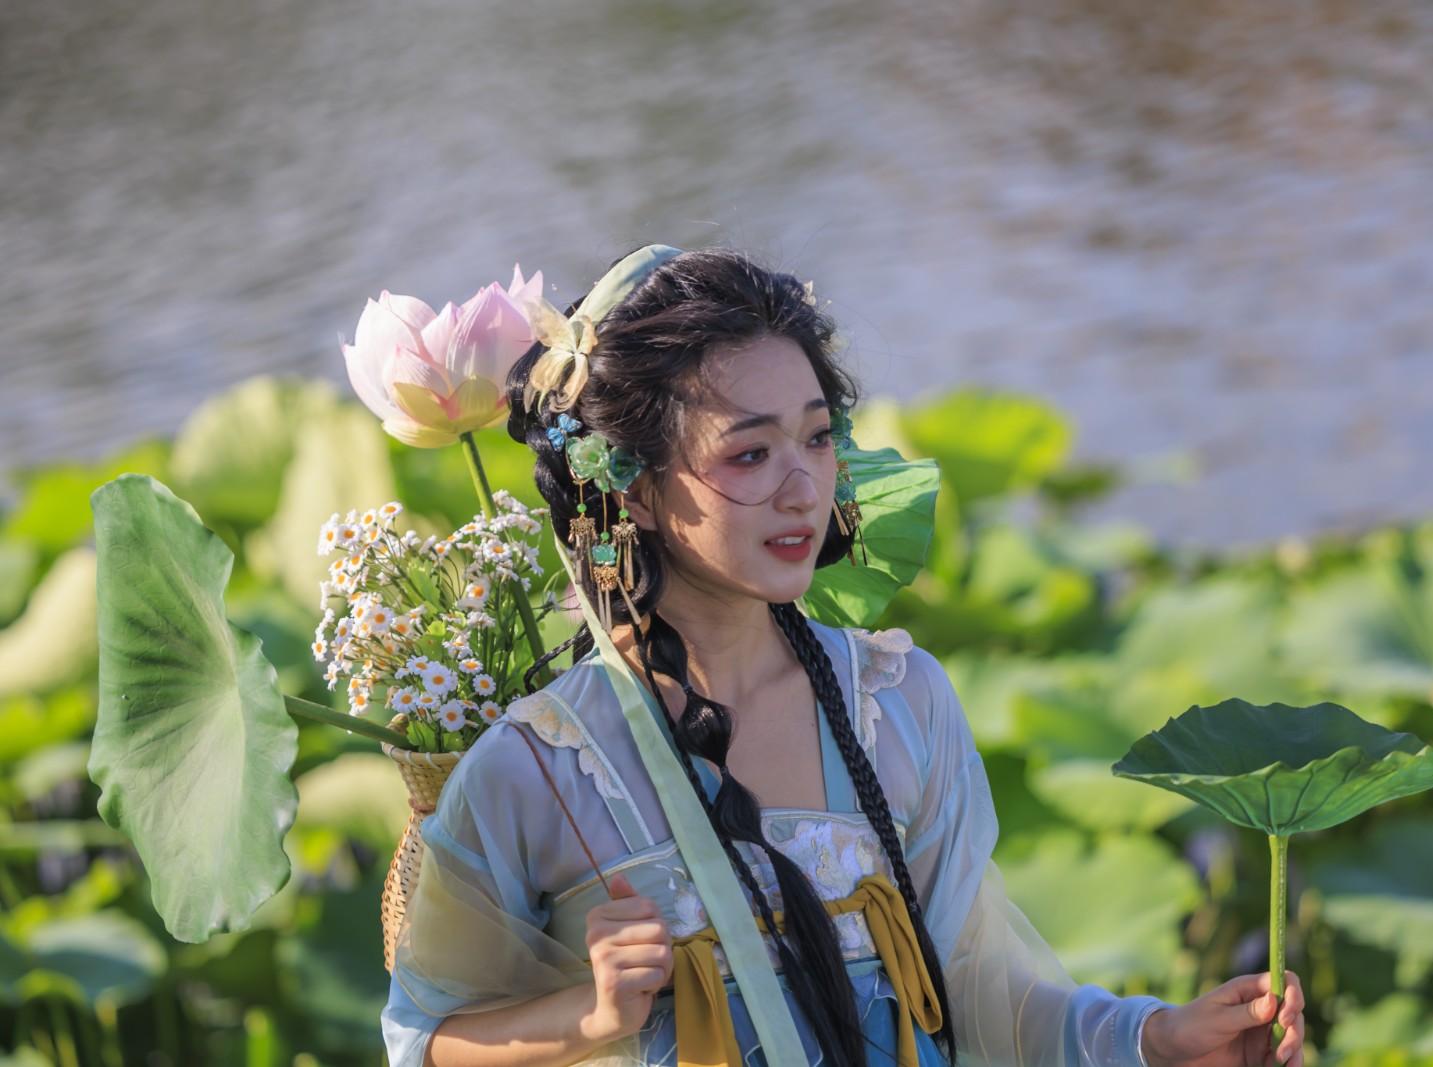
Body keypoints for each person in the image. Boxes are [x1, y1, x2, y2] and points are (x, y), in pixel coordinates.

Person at [380, 246, 1307, 1067]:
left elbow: (982, 994)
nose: (802, 486)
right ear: (640, 492)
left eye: (818, 438)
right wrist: (587, 1015)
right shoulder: (536, 767)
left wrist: (1153, 1040)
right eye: (749, 455)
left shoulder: (901, 704)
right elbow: (421, 1039)